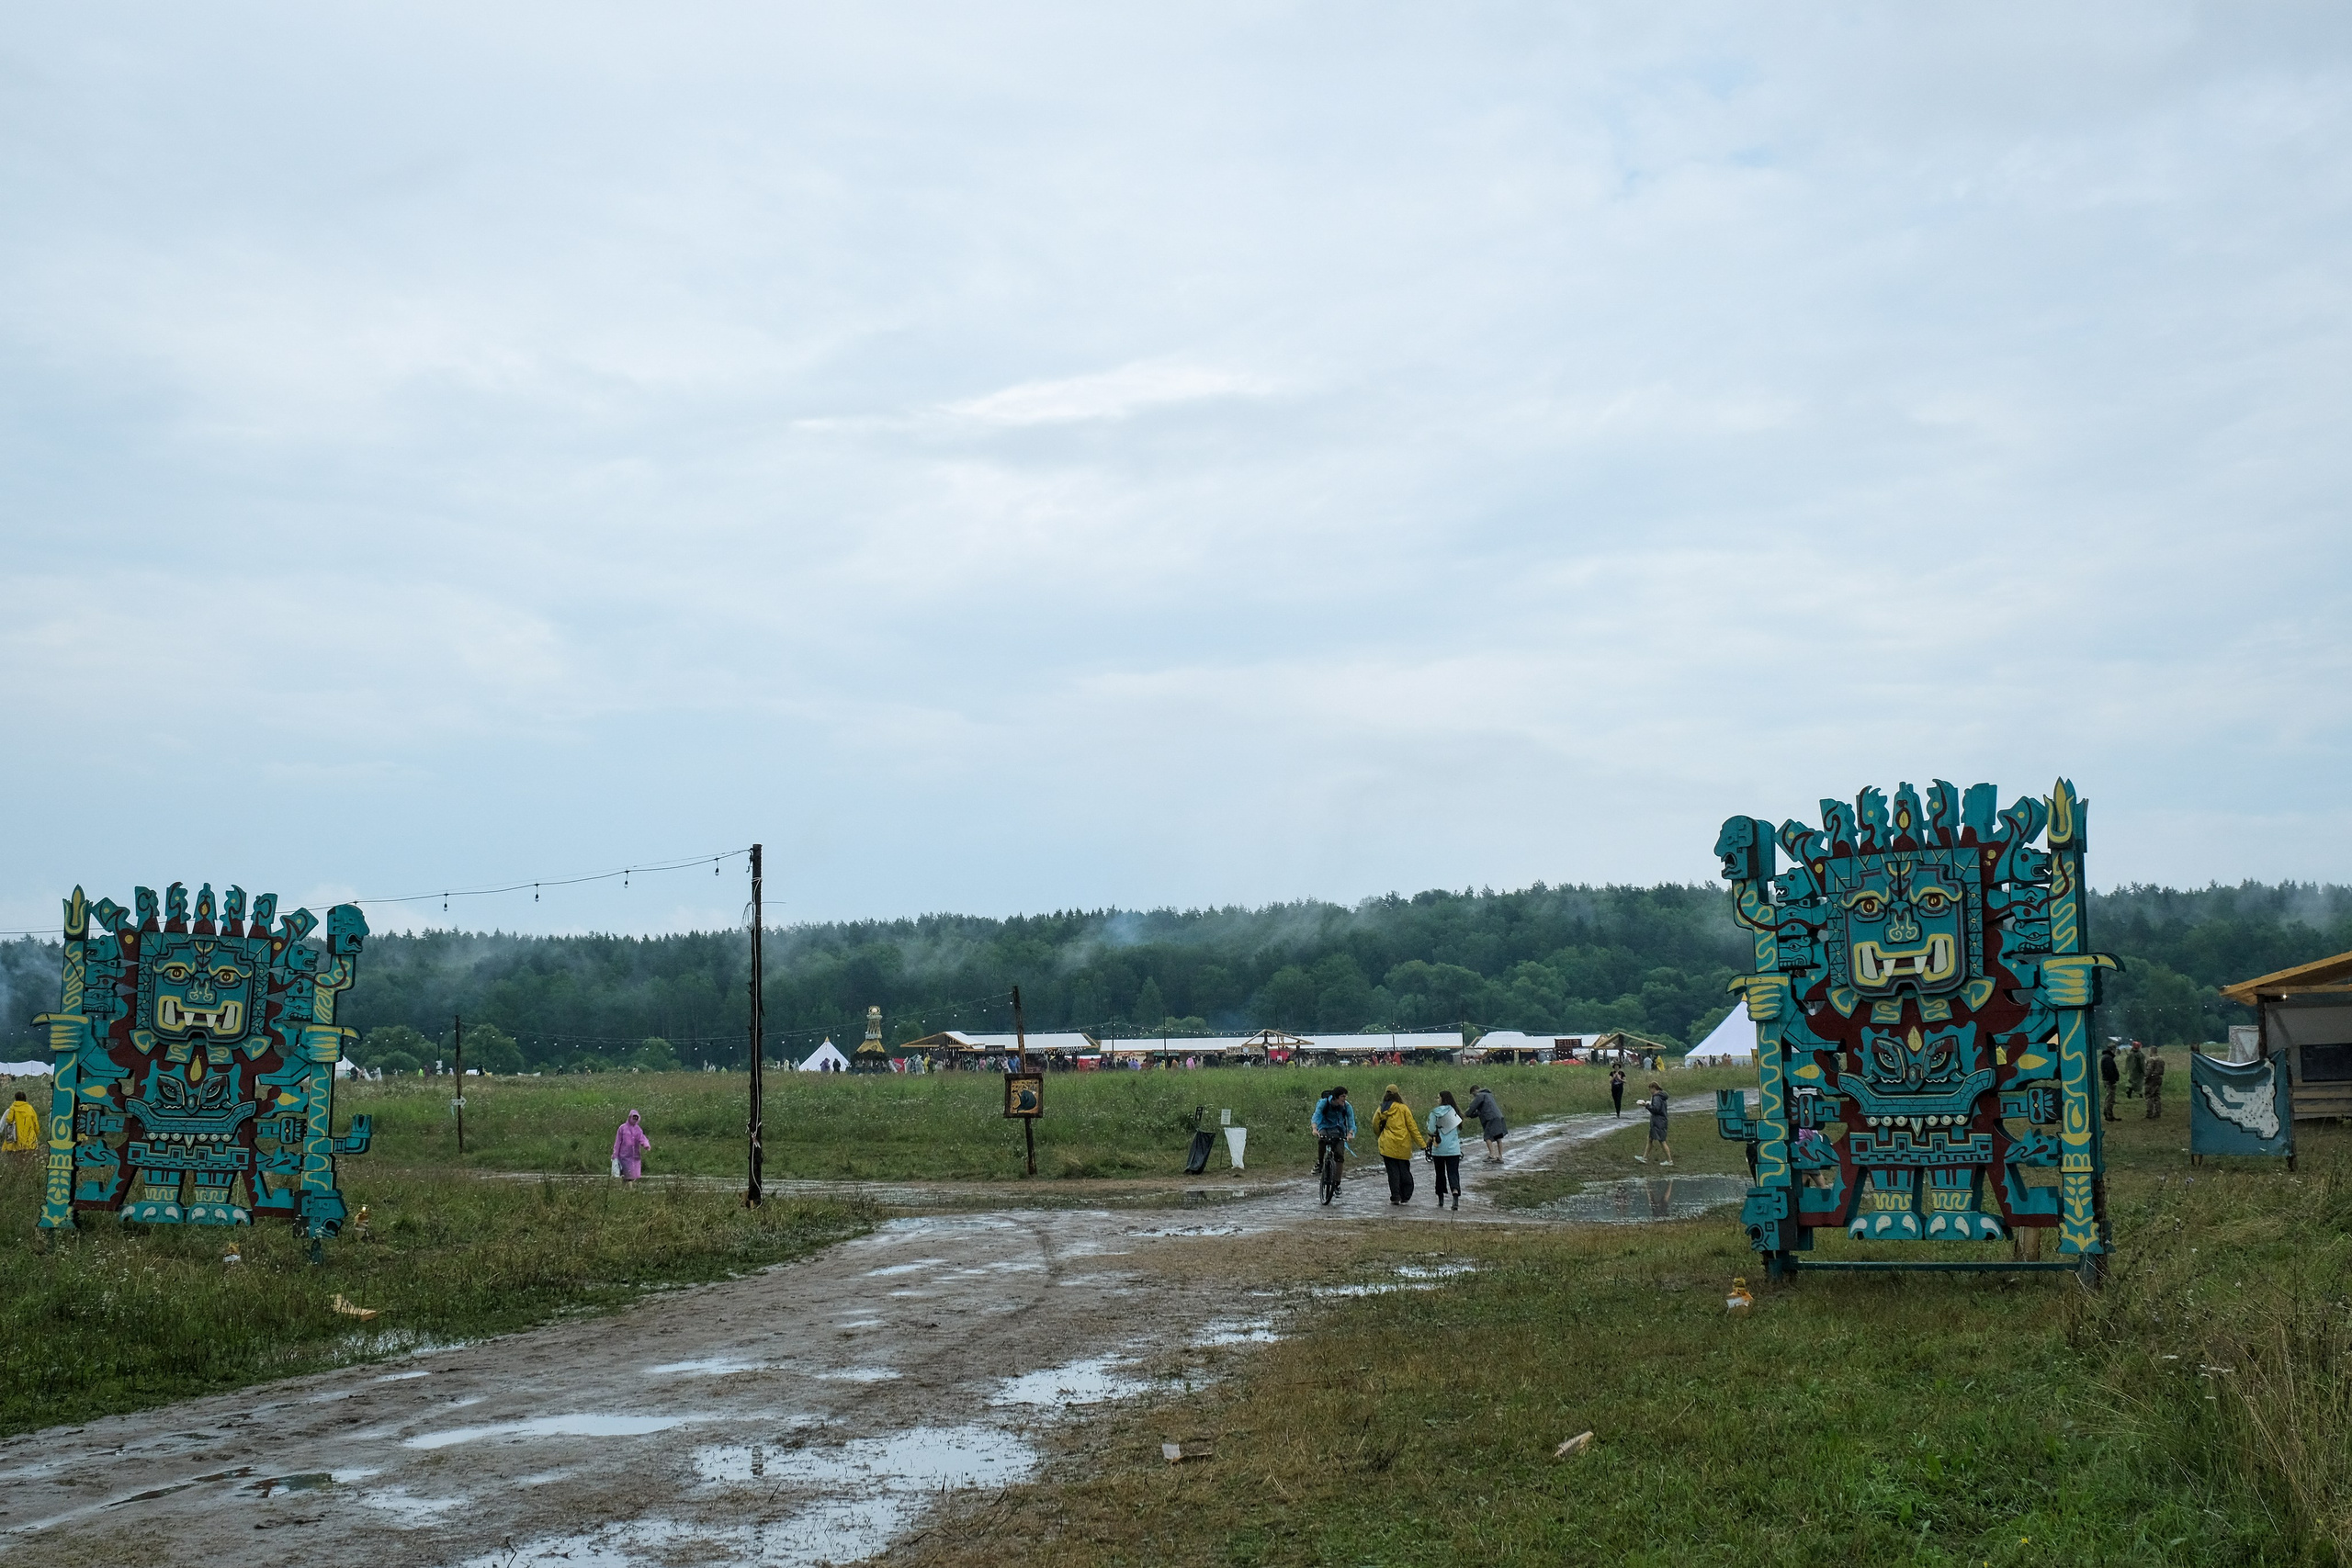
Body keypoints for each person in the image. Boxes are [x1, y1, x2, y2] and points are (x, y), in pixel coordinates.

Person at [1372, 1084, 1426, 1204]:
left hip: (1387, 1144)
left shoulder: (1382, 1108)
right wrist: (1422, 1144)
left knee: (1392, 1172)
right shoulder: (1403, 1108)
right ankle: (1406, 1195)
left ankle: (1395, 1196)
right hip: (1403, 1145)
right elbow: (1412, 1128)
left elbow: (1375, 1125)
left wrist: (1380, 1135)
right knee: (1404, 1170)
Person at [1424, 1089, 1464, 1211]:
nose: (1437, 1100)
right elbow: (1458, 1130)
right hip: (1454, 1149)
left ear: (1442, 1099)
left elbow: (1431, 1130)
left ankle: (1441, 1198)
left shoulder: (1435, 1113)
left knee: (1440, 1173)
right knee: (1453, 1172)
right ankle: (1455, 1193)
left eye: (1438, 1098)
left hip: (1439, 1149)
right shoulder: (1455, 1112)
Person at [1312, 1086, 1357, 1191]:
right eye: (1343, 1097)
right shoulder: (1324, 1103)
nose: (1345, 1099)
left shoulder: (1347, 1106)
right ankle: (1320, 1162)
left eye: (1345, 1097)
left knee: (1339, 1156)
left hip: (1339, 1130)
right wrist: (1314, 1129)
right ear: (1336, 1097)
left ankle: (1337, 1184)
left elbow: (1351, 1121)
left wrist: (1350, 1133)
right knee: (1322, 1140)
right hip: (1324, 1127)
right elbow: (1316, 1115)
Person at [1634, 1082, 1674, 1166]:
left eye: (1650, 1089)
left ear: (1654, 1088)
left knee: (1662, 1141)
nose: (1650, 1091)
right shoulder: (1661, 1096)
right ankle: (1644, 1158)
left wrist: (1646, 1105)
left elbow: (1656, 1109)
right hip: (1659, 1121)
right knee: (1650, 1139)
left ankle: (1669, 1160)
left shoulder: (1656, 1097)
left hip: (1658, 1122)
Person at [1466, 1084, 1508, 1162]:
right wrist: (1472, 1115)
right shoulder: (1489, 1095)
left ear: (1475, 1091)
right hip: (1498, 1116)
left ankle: (1492, 1155)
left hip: (1490, 1117)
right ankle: (1500, 1157)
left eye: (1473, 1094)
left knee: (1487, 1136)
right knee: (1498, 1137)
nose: (1474, 1097)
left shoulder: (1480, 1095)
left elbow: (1473, 1107)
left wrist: (1466, 1114)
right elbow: (1480, 1111)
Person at [612, 1109, 652, 1184]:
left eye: (636, 1118)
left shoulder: (638, 1129)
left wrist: (646, 1145)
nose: (634, 1119)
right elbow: (618, 1142)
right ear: (630, 1117)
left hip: (635, 1156)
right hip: (624, 1156)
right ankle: (628, 1188)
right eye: (633, 1117)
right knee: (626, 1175)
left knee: (633, 1175)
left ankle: (629, 1188)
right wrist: (615, 1154)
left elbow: (642, 1138)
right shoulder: (622, 1128)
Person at [2, 1091, 39, 1156]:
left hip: (16, 1137)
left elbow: (9, 1120)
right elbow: (35, 1123)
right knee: (28, 1156)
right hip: (29, 1137)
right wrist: (36, 1133)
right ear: (25, 1098)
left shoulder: (13, 1108)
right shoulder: (30, 1108)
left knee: (17, 1156)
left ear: (15, 1098)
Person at [2099, 1044, 2120, 1122]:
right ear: (2112, 1049)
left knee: (2109, 1097)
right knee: (2110, 1098)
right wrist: (2113, 1079)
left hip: (2108, 1080)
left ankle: (2108, 1114)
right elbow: (2109, 1071)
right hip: (2109, 1081)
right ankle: (2109, 1115)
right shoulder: (2108, 1058)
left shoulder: (2107, 1057)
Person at [2143, 1051, 2166, 1120]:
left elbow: (2149, 1070)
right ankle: (2158, 1112)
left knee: (2149, 1096)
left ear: (2151, 1052)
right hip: (2159, 1078)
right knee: (2157, 1096)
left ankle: (2149, 1113)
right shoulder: (2161, 1060)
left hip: (2151, 1080)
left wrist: (2145, 1076)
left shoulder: (2151, 1060)